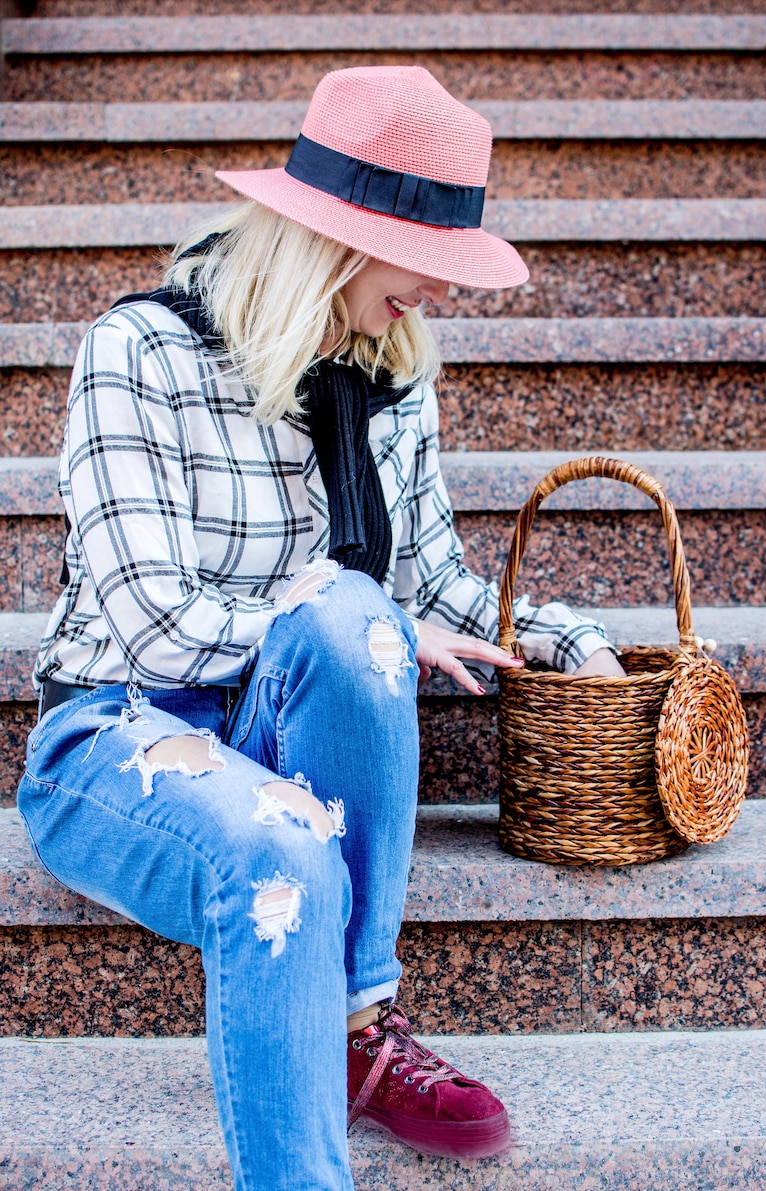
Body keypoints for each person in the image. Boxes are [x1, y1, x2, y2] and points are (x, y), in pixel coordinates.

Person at [18, 66, 624, 1191]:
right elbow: (152, 628)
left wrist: (562, 641)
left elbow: (433, 587)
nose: (436, 295)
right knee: (285, 826)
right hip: (116, 737)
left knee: (356, 613)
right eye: (426, 264)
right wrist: (347, 613)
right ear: (342, 241)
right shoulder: (139, 353)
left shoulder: (386, 374)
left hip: (272, 725)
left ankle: (353, 1027)